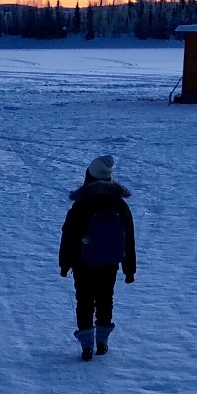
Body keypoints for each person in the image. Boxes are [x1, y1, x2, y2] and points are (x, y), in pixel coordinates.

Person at [58, 155, 136, 361]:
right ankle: (102, 342)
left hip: (83, 262)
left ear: (89, 176)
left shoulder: (82, 205)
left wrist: (64, 264)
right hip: (110, 262)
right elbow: (129, 238)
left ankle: (86, 347)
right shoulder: (120, 206)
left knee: (84, 300)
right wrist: (129, 269)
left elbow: (68, 235)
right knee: (105, 299)